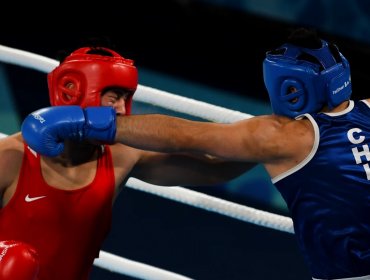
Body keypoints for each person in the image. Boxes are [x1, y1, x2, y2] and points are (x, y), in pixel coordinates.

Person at [21, 28, 370, 280]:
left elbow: (182, 135)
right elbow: (211, 165)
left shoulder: (282, 136)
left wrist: (84, 121)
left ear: (288, 87)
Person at [0, 46, 251, 280]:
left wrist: (269, 144)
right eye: (113, 97)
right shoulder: (11, 157)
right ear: (70, 91)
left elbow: (217, 167)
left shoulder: (123, 156)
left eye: (126, 98)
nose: (121, 110)